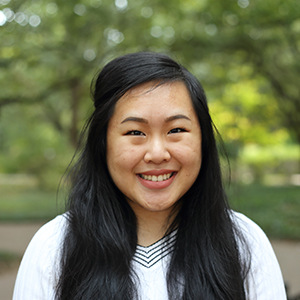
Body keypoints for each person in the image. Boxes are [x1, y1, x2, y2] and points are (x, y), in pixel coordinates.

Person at [13, 52, 287, 299]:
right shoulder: (53, 247)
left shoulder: (245, 243)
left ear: (203, 140)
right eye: (135, 133)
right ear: (103, 143)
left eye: (176, 130)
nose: (157, 153)